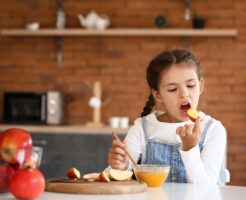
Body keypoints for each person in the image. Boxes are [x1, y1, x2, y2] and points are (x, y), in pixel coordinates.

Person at [107, 48, 228, 184]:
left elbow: (206, 189)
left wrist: (190, 149)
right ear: (158, 95)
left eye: (190, 85)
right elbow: (111, 179)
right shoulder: (142, 128)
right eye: (172, 89)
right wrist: (119, 167)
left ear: (200, 86)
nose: (184, 93)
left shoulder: (213, 129)